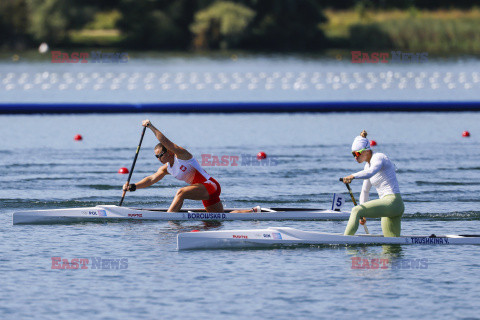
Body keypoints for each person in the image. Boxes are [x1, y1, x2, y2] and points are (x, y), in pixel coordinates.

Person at [123, 119, 224, 213]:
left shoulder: (182, 156)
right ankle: (240, 214)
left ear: (169, 152)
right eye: (156, 156)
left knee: (181, 192)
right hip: (202, 190)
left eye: (160, 155)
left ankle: (169, 218)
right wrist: (133, 186)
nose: (159, 158)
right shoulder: (166, 168)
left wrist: (151, 127)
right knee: (217, 219)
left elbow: (166, 142)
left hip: (210, 185)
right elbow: (151, 179)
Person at [341, 130, 404, 237]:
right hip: (387, 207)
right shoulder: (367, 166)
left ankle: (344, 240)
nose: (355, 157)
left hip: (393, 202)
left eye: (357, 153)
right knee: (391, 247)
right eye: (353, 154)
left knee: (356, 210)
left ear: (366, 151)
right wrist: (363, 215)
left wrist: (353, 176)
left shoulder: (379, 157)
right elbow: (365, 191)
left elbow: (371, 173)